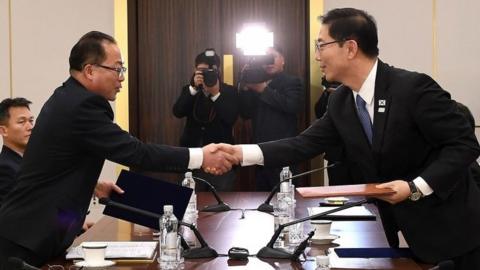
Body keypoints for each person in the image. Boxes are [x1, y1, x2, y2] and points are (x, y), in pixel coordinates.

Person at [223, 8, 480, 269]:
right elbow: (302, 144)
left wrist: (415, 187)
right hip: (394, 232)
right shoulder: (341, 101)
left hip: (453, 230)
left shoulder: (413, 88)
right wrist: (238, 153)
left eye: (321, 45)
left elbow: (464, 144)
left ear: (350, 47)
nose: (316, 56)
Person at [0, 31, 237, 268]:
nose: (122, 78)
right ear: (90, 70)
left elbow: (54, 163)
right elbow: (136, 152)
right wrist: (200, 155)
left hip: (34, 235)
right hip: (25, 240)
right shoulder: (80, 105)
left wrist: (92, 185)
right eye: (118, 69)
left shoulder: (69, 97)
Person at [239, 46, 304, 191]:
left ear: (283, 60)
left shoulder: (292, 82)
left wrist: (263, 90)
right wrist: (245, 87)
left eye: (273, 57)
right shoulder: (255, 82)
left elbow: (292, 106)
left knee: (285, 195)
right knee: (262, 198)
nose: (269, 62)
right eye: (265, 59)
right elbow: (245, 113)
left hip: (284, 151)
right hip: (260, 152)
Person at [173, 49, 239, 191]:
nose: (205, 74)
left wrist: (215, 94)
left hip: (221, 160)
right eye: (201, 70)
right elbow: (178, 112)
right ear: (195, 70)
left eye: (210, 70)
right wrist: (192, 89)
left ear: (218, 71)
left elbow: (230, 118)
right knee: (190, 201)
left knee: (221, 204)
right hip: (192, 158)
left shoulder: (229, 91)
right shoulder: (190, 90)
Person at [0, 98, 34, 205]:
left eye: (31, 121)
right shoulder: (4, 168)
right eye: (22, 122)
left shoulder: (31, 161)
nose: (30, 127)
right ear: (3, 131)